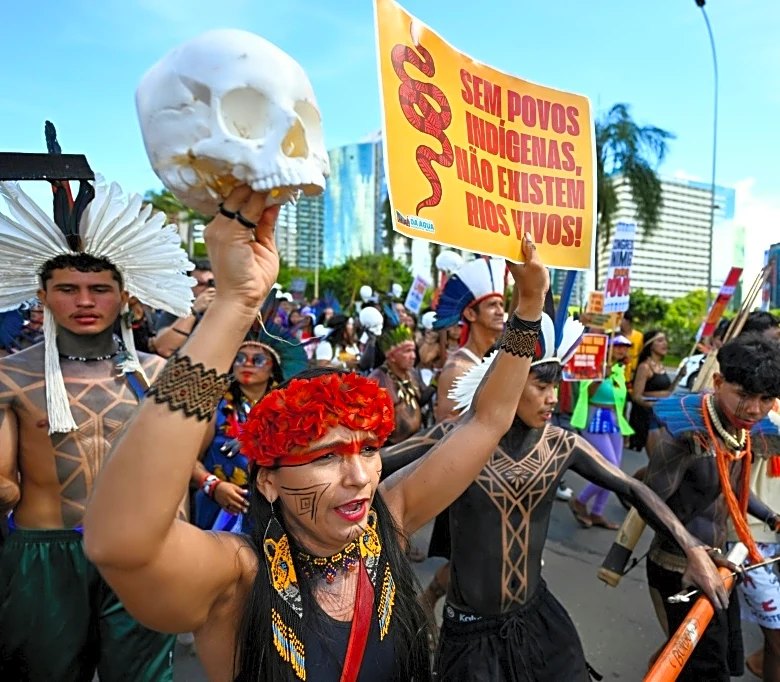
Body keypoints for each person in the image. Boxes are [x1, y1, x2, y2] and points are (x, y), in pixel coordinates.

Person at [82, 186, 551, 682]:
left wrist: (530, 304)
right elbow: (120, 541)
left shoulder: (383, 526)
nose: (359, 477)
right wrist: (234, 306)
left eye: (369, 450)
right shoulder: (237, 576)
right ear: (267, 481)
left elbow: (487, 420)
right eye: (326, 457)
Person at [379, 310, 735, 681]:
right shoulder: (458, 440)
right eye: (540, 386)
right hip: (472, 634)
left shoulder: (563, 445)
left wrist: (692, 548)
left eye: (555, 386)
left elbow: (633, 487)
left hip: (537, 618)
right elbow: (379, 465)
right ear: (509, 381)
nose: (552, 398)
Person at [0, 169, 193, 680]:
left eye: (99, 288)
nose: (85, 301)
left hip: (141, 550)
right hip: (46, 554)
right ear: (41, 295)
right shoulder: (8, 377)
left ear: (125, 297)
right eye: (67, 288)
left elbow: (179, 466)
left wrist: (185, 542)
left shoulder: (160, 374)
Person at [642, 333, 780, 681]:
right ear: (718, 382)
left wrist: (772, 518)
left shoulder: (741, 428)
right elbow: (646, 500)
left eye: (766, 399)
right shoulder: (684, 434)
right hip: (679, 567)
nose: (754, 409)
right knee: (700, 669)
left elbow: (733, 488)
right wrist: (692, 552)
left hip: (720, 562)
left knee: (712, 661)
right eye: (744, 395)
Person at [193, 322, 308, 531]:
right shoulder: (214, 406)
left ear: (274, 368)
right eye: (239, 358)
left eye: (258, 360)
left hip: (276, 514)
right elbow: (185, 460)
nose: (246, 364)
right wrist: (213, 486)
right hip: (218, 511)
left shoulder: (288, 411)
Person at [569, 334, 635, 529]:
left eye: (626, 347)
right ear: (608, 347)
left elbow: (621, 401)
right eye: (618, 346)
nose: (623, 350)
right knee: (610, 468)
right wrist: (600, 376)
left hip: (614, 420)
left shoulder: (619, 370)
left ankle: (597, 512)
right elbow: (586, 393)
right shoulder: (595, 366)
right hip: (594, 415)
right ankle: (580, 501)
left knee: (616, 469)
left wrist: (624, 430)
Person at [368, 326, 435, 445]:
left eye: (413, 350)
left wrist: (436, 382)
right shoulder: (377, 381)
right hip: (392, 449)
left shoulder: (412, 373)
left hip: (417, 440)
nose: (413, 356)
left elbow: (421, 399)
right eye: (407, 351)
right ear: (392, 356)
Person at [153, 259, 215, 358]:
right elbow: (164, 348)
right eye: (200, 285)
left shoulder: (228, 311)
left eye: (211, 284)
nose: (207, 289)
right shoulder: (176, 311)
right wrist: (194, 310)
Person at [629, 329, 676, 452]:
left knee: (665, 459)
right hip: (649, 418)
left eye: (665, 340)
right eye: (660, 341)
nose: (665, 343)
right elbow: (636, 396)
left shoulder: (660, 366)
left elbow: (667, 392)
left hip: (662, 416)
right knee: (657, 460)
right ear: (650, 345)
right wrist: (652, 403)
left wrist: (680, 376)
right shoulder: (644, 367)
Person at [620, 310, 644, 380]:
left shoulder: (639, 336)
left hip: (634, 372)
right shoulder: (615, 336)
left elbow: (641, 354)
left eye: (621, 319)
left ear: (628, 321)